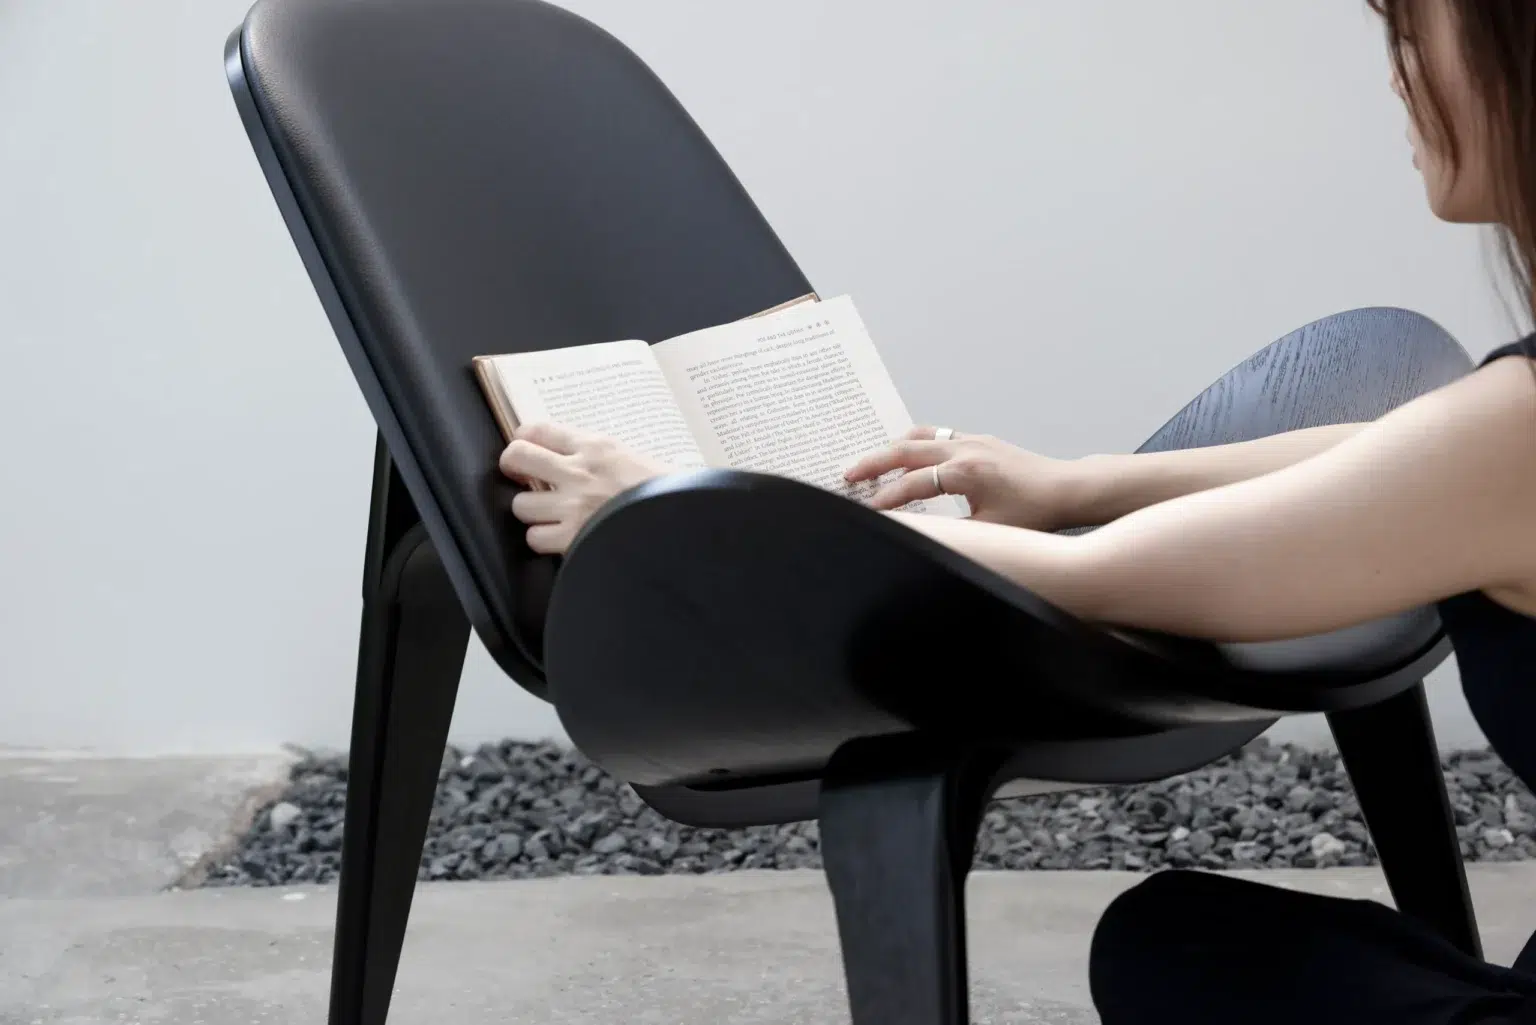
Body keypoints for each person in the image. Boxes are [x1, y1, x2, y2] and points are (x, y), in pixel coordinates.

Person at [501, 0, 1536, 1020]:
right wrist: (1079, 481)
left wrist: (678, 508)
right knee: (1199, 939)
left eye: (1412, 26)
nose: (1397, 73)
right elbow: (1394, 460)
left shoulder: (1512, 436)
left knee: (1168, 946)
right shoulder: (1497, 437)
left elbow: (1105, 577)